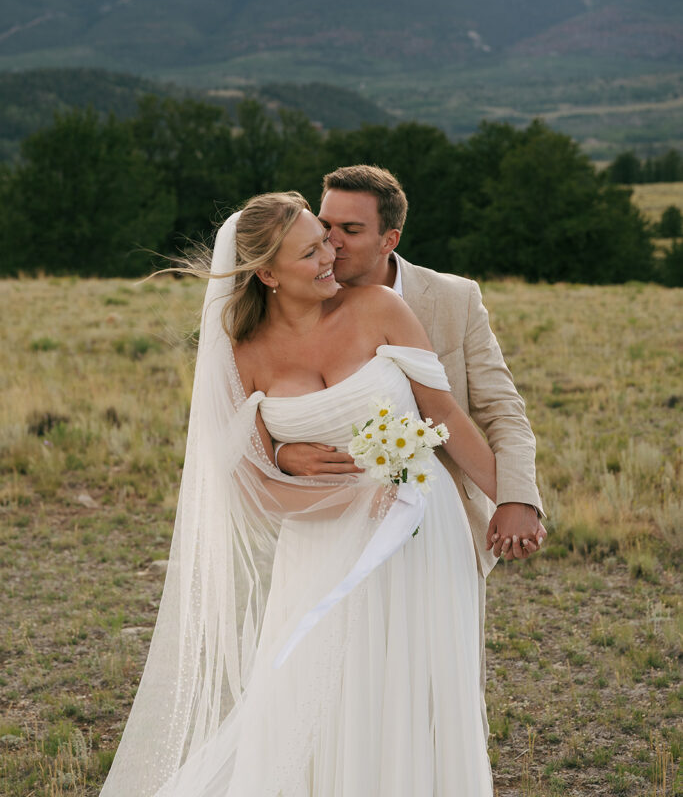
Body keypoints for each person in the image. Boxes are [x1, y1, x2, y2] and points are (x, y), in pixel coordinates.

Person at [100, 191, 498, 797]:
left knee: (420, 683)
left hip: (421, 527)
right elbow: (253, 486)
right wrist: (333, 489)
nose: (330, 255)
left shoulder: (380, 308)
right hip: (319, 546)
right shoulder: (242, 358)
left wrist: (514, 501)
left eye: (329, 241)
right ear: (266, 273)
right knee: (325, 693)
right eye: (311, 250)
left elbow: (446, 415)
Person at [275, 165, 546, 737]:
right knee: (338, 689)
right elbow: (256, 408)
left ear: (389, 239)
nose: (330, 242)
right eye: (324, 226)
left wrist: (516, 498)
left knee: (436, 687)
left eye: (349, 228)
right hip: (329, 524)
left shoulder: (452, 299)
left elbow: (500, 409)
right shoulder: (296, 297)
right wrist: (282, 455)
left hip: (440, 523)